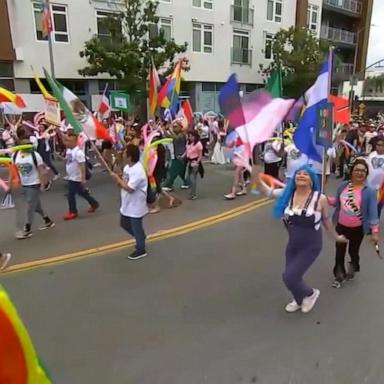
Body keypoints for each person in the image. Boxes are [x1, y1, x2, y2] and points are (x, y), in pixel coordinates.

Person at [258, 165, 346, 313]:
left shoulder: (320, 198)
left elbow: (326, 221)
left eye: (306, 174)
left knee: (289, 276)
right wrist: (255, 175)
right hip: (293, 244)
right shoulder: (287, 194)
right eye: (298, 173)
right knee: (291, 276)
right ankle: (299, 300)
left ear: (312, 180)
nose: (301, 176)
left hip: (311, 246)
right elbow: (266, 191)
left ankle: (311, 293)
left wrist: (336, 237)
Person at [331, 158, 379, 288]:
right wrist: (323, 198)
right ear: (351, 171)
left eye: (363, 171)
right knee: (339, 251)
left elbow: (373, 213)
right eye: (357, 170)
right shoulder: (343, 186)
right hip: (341, 226)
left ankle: (354, 266)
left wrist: (374, 232)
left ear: (366, 173)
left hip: (358, 228)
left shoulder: (369, 191)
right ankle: (339, 275)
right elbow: (336, 202)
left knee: (353, 251)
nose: (360, 173)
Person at [11, 126, 55, 239]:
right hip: (24, 184)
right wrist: (11, 182)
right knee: (36, 205)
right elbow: (13, 169)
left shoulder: (35, 156)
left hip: (34, 184)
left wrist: (43, 184)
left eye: (28, 142)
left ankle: (27, 228)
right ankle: (47, 220)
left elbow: (42, 171)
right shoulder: (15, 155)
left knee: (30, 206)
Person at [112, 144, 148, 260]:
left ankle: (141, 248)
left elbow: (130, 188)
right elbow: (124, 183)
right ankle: (141, 237)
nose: (123, 155)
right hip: (127, 202)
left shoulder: (138, 170)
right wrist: (118, 180)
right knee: (124, 224)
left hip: (136, 204)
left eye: (125, 153)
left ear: (130, 157)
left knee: (136, 226)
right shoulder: (127, 167)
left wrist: (118, 180)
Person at [62, 132, 99, 220]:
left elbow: (82, 165)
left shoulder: (78, 153)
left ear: (74, 142)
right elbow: (68, 160)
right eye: (66, 140)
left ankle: (73, 212)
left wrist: (82, 178)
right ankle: (94, 203)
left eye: (68, 141)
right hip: (71, 176)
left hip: (76, 177)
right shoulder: (69, 150)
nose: (66, 142)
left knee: (71, 195)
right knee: (81, 192)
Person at [162, 123, 187, 191]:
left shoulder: (182, 135)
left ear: (180, 127)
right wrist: (166, 130)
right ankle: (187, 182)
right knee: (181, 172)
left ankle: (168, 184)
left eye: (175, 127)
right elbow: (171, 136)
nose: (174, 128)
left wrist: (167, 130)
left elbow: (173, 137)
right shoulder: (178, 134)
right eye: (173, 127)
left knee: (172, 171)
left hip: (180, 156)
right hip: (177, 155)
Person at [184, 131, 204, 200]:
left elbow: (200, 155)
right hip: (189, 161)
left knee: (193, 178)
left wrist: (197, 162)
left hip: (195, 161)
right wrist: (183, 156)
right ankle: (192, 192)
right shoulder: (188, 142)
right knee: (189, 177)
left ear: (195, 136)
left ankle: (193, 194)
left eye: (192, 136)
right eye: (189, 136)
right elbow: (186, 151)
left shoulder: (198, 144)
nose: (190, 137)